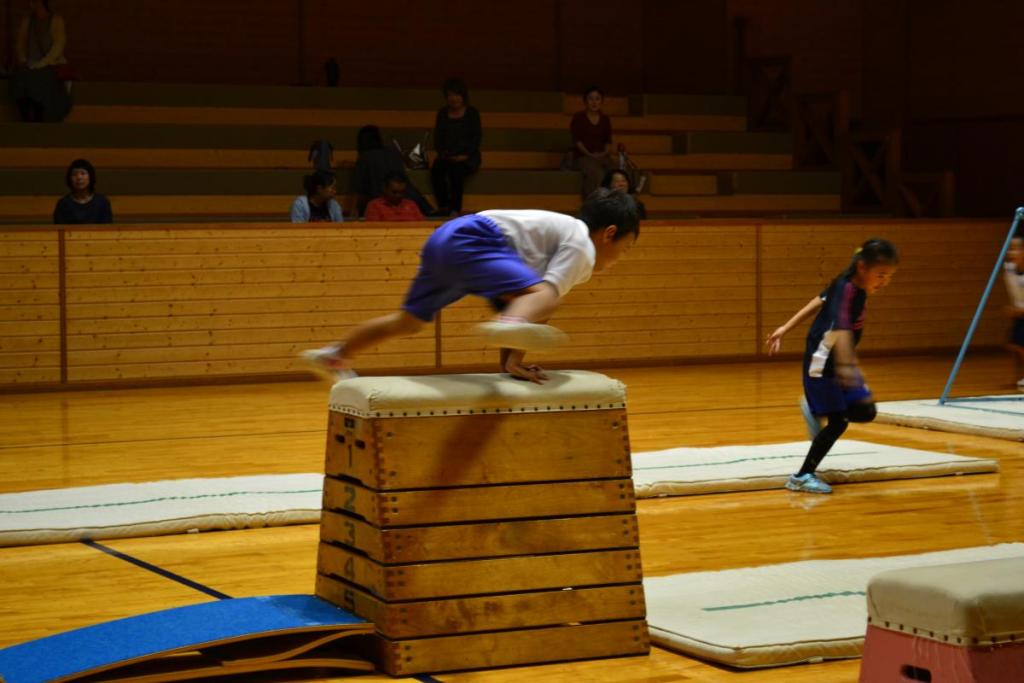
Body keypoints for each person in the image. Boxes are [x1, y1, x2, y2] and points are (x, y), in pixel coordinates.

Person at [301, 189, 640, 383]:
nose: (618, 260)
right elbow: (544, 300)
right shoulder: (581, 243)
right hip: (475, 238)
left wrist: (510, 361)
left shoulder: (563, 240)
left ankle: (336, 355)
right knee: (544, 298)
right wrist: (512, 325)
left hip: (445, 241)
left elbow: (531, 304)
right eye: (624, 250)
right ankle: (508, 323)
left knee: (408, 321)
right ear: (608, 234)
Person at [765, 238, 900, 494]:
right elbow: (841, 332)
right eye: (881, 275)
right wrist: (848, 370)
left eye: (889, 276)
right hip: (824, 364)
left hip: (838, 363)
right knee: (839, 423)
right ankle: (801, 476)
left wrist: (784, 328)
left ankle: (814, 408)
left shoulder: (847, 283)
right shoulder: (849, 291)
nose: (884, 282)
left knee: (866, 411)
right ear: (863, 267)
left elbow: (818, 300)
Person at [9, 0, 71, 122]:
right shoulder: (28, 21)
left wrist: (42, 64)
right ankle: (26, 115)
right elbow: (20, 43)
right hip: (30, 63)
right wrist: (23, 59)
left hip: (50, 64)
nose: (32, 5)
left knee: (42, 81)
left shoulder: (56, 21)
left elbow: (58, 46)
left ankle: (41, 114)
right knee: (19, 80)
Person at [352, 125, 432, 217]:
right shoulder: (393, 152)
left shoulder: (365, 157)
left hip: (382, 200)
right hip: (412, 196)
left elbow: (358, 188)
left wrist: (354, 210)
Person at [430, 78, 482, 216]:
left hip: (468, 157)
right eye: (450, 95)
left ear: (463, 96)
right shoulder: (442, 113)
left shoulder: (472, 113)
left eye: (457, 95)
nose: (453, 98)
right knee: (436, 170)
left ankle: (455, 209)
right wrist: (444, 153)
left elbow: (476, 137)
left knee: (456, 173)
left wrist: (465, 155)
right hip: (447, 155)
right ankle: (443, 206)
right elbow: (438, 137)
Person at [570, 86, 613, 200]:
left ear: (601, 101)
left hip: (602, 155)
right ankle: (592, 203)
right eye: (591, 99)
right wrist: (590, 155)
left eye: (597, 99)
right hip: (583, 156)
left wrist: (603, 153)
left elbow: (608, 141)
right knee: (595, 173)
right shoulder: (578, 118)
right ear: (585, 101)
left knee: (615, 171)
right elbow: (577, 141)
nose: (594, 102)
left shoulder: (605, 119)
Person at [53, 159, 113, 224]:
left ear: (90, 177)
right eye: (74, 174)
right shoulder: (63, 204)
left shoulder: (102, 203)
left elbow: (107, 230)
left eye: (83, 173)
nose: (79, 177)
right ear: (69, 178)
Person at [1004, 234, 1024, 391]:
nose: (1012, 252)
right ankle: (1019, 376)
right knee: (1014, 345)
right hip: (1019, 313)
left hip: (1021, 312)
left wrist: (1018, 310)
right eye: (1010, 248)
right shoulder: (1009, 270)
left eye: (1016, 249)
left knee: (1020, 346)